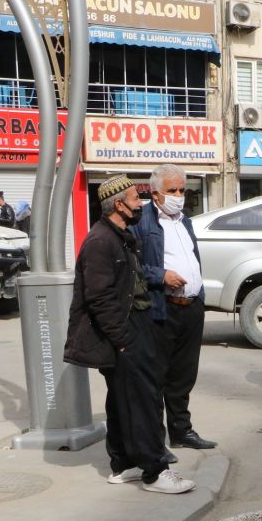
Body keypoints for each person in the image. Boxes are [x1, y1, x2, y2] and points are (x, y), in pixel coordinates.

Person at [64, 173, 195, 495]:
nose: (142, 203)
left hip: (135, 326)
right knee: (143, 401)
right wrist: (123, 341)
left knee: (123, 401)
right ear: (119, 205)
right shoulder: (100, 242)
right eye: (136, 199)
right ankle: (155, 470)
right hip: (124, 333)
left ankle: (124, 465)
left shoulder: (121, 236)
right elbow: (99, 298)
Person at [137, 164, 217, 455]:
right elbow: (133, 268)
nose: (179, 196)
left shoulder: (185, 222)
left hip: (191, 308)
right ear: (156, 193)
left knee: (184, 375)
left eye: (183, 190)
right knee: (157, 377)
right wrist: (161, 276)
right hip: (162, 308)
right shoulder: (142, 222)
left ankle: (181, 431)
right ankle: (156, 442)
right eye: (173, 190)